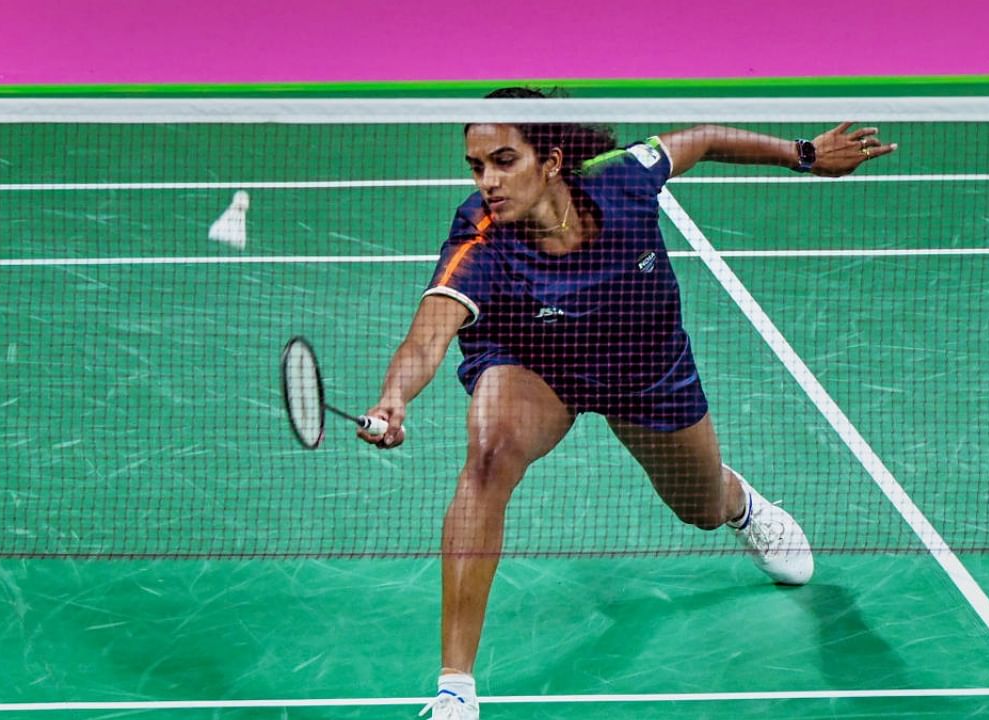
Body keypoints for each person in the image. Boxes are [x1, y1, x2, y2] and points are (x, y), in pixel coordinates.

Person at [359, 87, 896, 719]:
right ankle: (455, 689)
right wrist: (395, 396)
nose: (489, 182)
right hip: (536, 364)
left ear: (552, 160)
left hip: (641, 365)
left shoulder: (621, 177)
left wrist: (802, 154)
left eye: (504, 160)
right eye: (477, 166)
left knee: (699, 507)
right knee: (488, 459)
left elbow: (703, 138)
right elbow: (431, 329)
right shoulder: (480, 236)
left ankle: (740, 504)